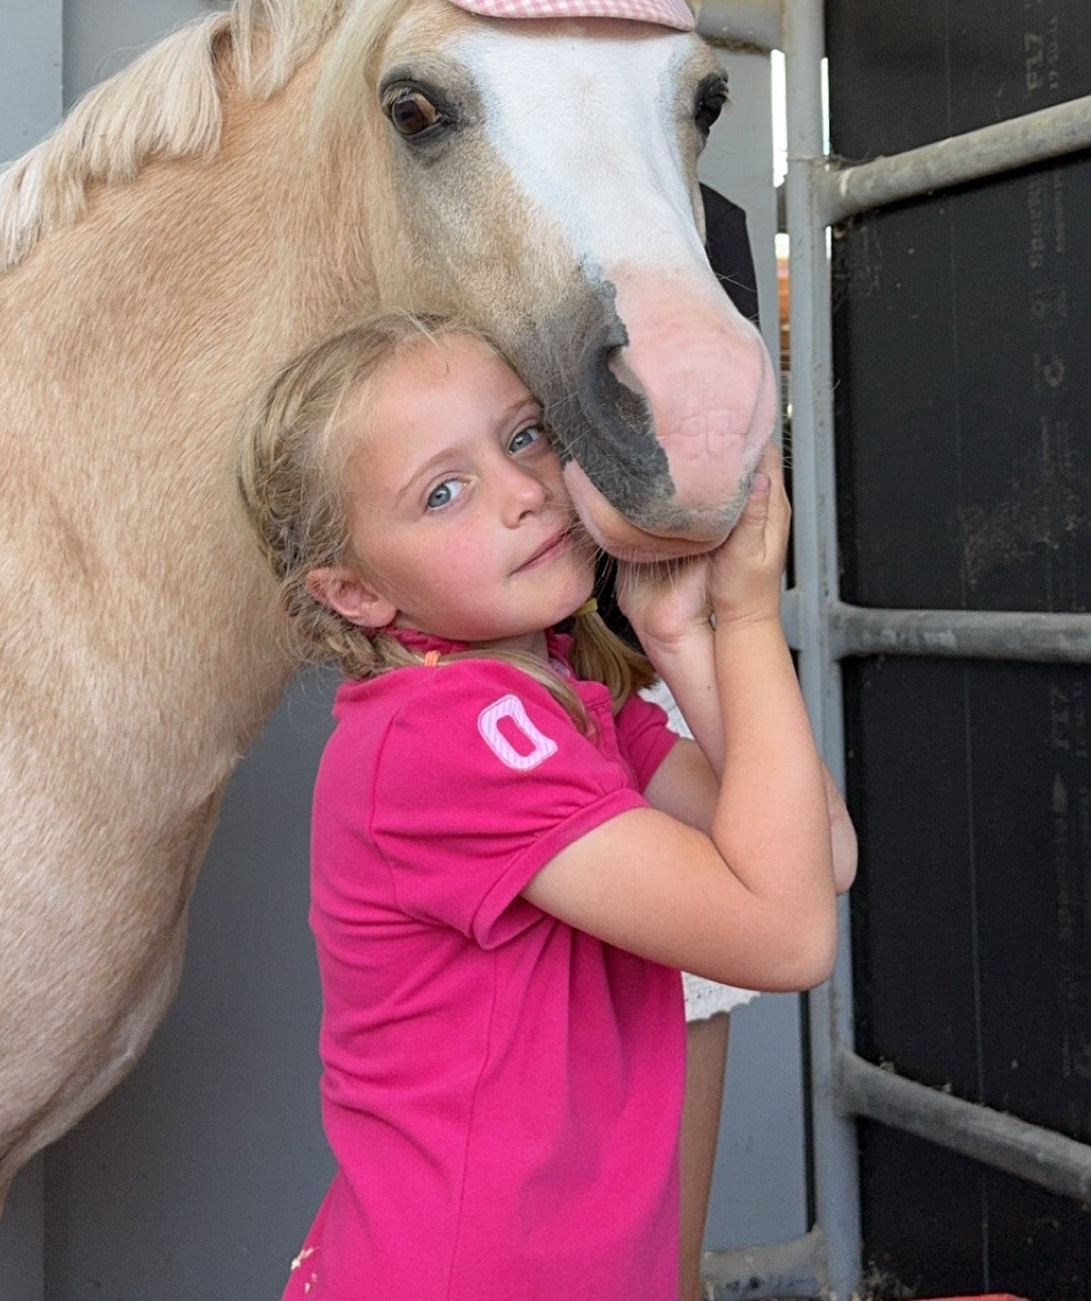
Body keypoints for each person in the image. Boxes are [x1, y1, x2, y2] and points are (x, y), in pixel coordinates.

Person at [236, 311, 851, 1301]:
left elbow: (819, 858)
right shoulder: (447, 733)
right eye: (443, 492)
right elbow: (786, 937)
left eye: (524, 435)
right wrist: (741, 614)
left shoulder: (560, 698)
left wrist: (679, 640)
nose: (525, 491)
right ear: (354, 593)